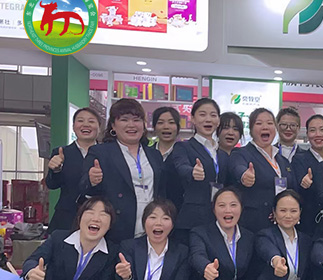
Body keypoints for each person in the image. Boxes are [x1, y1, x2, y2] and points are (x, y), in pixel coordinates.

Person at [80, 98, 164, 244]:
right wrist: (92, 181)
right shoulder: (101, 152)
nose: (131, 125)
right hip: (116, 230)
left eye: (137, 120)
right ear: (113, 125)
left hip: (151, 229)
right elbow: (83, 188)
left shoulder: (154, 155)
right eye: (124, 120)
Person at [168, 97, 226, 245]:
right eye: (202, 114)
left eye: (213, 115)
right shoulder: (183, 147)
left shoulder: (222, 154)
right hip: (192, 220)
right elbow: (181, 166)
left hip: (218, 219)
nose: (208, 119)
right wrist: (192, 172)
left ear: (218, 120)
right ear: (193, 119)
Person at [230, 108, 294, 234]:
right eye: (259, 123)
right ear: (251, 130)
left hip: (281, 226)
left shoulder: (283, 161)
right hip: (254, 226)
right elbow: (237, 167)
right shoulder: (241, 153)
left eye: (270, 123)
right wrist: (244, 175)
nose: (265, 126)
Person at [46, 107, 102, 231]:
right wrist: (56, 170)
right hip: (66, 218)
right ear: (73, 126)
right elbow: (52, 184)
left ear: (99, 127)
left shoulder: (107, 154)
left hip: (98, 218)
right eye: (80, 121)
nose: (86, 124)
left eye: (91, 121)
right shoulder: (61, 153)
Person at [292, 114, 323, 235]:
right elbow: (296, 192)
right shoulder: (299, 160)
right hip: (310, 224)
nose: (318, 134)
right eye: (313, 130)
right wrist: (303, 185)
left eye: (322, 129)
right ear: (307, 135)